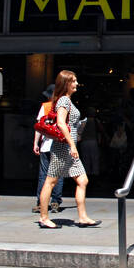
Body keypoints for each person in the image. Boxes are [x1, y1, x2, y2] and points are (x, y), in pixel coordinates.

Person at [38, 70, 99, 228]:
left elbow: (67, 124)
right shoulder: (64, 100)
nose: (76, 83)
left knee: (82, 180)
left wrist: (76, 133)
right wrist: (72, 144)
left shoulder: (67, 100)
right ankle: (44, 217)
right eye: (74, 81)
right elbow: (60, 123)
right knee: (51, 181)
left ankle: (83, 216)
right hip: (63, 148)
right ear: (66, 83)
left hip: (69, 147)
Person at [33, 84, 64, 215]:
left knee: (43, 174)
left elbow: (39, 127)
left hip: (46, 145)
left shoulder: (45, 107)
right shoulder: (64, 107)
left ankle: (41, 203)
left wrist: (36, 143)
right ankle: (55, 201)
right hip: (59, 144)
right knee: (58, 175)